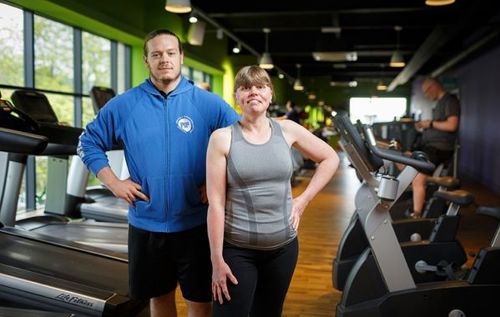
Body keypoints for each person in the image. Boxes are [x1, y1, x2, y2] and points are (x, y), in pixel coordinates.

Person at [77, 29, 240, 317]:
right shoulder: (125, 105)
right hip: (146, 225)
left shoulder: (208, 103)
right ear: (146, 60)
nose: (164, 59)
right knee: (159, 298)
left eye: (170, 53)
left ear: (181, 57)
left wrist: (220, 184)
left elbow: (243, 142)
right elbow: (88, 142)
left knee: (200, 301)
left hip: (196, 226)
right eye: (156, 54)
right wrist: (113, 182)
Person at [206, 65, 339, 316]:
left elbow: (330, 158)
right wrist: (216, 260)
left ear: (270, 94)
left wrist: (303, 200)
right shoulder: (222, 138)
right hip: (237, 250)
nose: (253, 92)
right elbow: (215, 203)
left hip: (284, 249)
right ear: (236, 97)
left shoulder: (288, 129)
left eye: (260, 86)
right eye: (245, 88)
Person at [411, 77, 460, 218]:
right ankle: (416, 202)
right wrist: (424, 127)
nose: (426, 95)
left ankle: (417, 215)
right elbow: (439, 125)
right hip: (431, 147)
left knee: (418, 179)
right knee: (407, 159)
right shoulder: (439, 103)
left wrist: (429, 124)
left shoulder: (450, 101)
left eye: (427, 91)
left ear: (434, 86)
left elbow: (452, 125)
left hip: (440, 149)